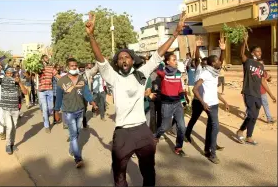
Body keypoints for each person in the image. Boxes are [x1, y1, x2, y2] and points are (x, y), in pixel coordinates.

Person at [85, 11, 187, 186]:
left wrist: (176, 33)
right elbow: (100, 59)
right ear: (117, 63)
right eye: (120, 58)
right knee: (119, 175)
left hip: (141, 130)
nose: (124, 59)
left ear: (132, 60)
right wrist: (92, 36)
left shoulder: (141, 74)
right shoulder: (113, 77)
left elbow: (158, 54)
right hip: (122, 132)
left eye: (127, 57)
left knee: (149, 172)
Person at [54, 57, 98, 168]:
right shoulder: (62, 81)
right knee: (73, 135)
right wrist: (56, 111)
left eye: (75, 66)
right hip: (68, 112)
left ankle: (71, 149)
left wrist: (93, 103)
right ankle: (78, 159)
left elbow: (87, 93)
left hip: (80, 110)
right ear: (68, 67)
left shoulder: (81, 80)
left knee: (77, 132)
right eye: (72, 66)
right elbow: (58, 98)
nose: (74, 67)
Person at [185, 38, 225, 151]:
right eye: (203, 61)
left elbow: (219, 63)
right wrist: (196, 47)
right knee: (194, 118)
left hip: (208, 100)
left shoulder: (211, 71)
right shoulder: (199, 67)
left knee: (212, 124)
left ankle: (212, 144)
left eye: (206, 61)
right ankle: (187, 134)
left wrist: (222, 50)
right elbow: (197, 57)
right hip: (199, 100)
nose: (204, 62)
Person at [193, 44, 230, 164]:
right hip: (208, 105)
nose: (220, 62)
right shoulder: (205, 73)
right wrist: (203, 103)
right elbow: (195, 89)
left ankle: (207, 150)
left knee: (210, 127)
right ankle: (212, 154)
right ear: (213, 63)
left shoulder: (214, 71)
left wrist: (222, 50)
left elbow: (221, 61)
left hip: (215, 104)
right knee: (216, 127)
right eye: (217, 61)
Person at [236, 35, 276, 145]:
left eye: (260, 52)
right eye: (257, 51)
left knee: (254, 116)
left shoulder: (260, 66)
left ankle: (249, 136)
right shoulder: (248, 61)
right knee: (251, 114)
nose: (260, 53)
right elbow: (241, 54)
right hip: (248, 92)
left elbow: (263, 81)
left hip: (258, 94)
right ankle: (240, 131)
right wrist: (244, 41)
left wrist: (271, 94)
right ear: (253, 52)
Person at [154, 52, 188, 157]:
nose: (176, 61)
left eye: (176, 59)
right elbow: (157, 69)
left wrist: (183, 100)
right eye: (173, 59)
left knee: (182, 127)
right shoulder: (163, 73)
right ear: (168, 62)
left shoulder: (178, 73)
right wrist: (161, 57)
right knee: (164, 127)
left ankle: (178, 148)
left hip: (177, 103)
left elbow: (179, 88)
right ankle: (155, 137)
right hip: (167, 104)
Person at [0, 62, 27, 154]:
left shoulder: (17, 81)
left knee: (14, 127)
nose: (10, 75)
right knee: (9, 127)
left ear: (15, 74)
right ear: (5, 73)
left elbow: (26, 92)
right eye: (8, 73)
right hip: (6, 107)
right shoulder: (3, 80)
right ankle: (8, 145)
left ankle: (12, 144)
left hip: (15, 108)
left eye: (12, 73)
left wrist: (19, 83)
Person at [38, 55, 61, 133]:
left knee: (51, 108)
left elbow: (57, 75)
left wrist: (66, 79)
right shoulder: (39, 68)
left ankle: (46, 116)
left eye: (47, 58)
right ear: (42, 59)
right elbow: (34, 72)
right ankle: (47, 126)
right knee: (45, 108)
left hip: (50, 90)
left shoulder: (51, 68)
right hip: (41, 91)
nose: (47, 59)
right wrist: (39, 65)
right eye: (45, 58)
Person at [257, 59, 276, 124]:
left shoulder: (264, 72)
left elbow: (268, 79)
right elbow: (263, 82)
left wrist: (270, 77)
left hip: (262, 92)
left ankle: (269, 118)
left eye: (262, 64)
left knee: (265, 104)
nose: (261, 65)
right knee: (254, 105)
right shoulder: (255, 72)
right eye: (259, 64)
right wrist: (271, 94)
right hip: (256, 92)